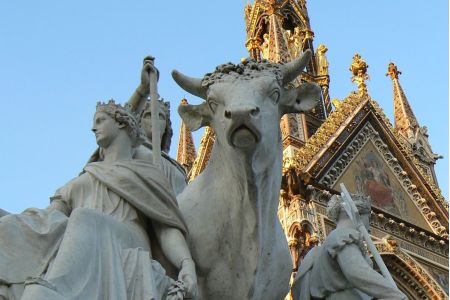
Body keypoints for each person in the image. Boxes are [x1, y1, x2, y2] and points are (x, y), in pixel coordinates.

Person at [0, 101, 197, 300]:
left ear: (121, 123)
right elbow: (48, 219)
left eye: (101, 121)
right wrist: (10, 221)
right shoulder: (84, 179)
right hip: (84, 241)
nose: (94, 128)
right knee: (9, 226)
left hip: (128, 240)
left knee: (84, 217)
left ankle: (56, 288)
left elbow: (166, 228)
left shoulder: (149, 174)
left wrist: (186, 263)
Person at [292, 194, 407, 300]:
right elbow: (357, 273)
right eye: (369, 219)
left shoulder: (324, 247)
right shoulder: (342, 236)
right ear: (357, 214)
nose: (369, 228)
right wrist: (395, 295)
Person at [127, 56, 187, 196]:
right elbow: (119, 119)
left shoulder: (176, 168)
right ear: (138, 122)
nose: (154, 119)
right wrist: (142, 90)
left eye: (160, 117)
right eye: (148, 115)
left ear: (166, 126)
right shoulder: (131, 150)